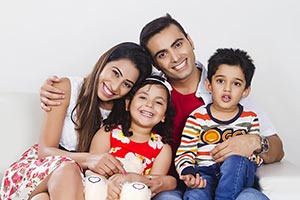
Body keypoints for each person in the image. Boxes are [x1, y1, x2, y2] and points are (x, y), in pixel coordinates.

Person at [39, 14, 284, 199]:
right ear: (154, 63)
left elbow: (277, 149)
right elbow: (112, 83)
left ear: (190, 40)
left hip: (232, 178)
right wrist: (63, 87)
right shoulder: (151, 89)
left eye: (178, 45)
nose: (175, 58)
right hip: (172, 186)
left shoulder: (226, 85)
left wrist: (255, 142)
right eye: (162, 54)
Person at [0, 42, 153, 200]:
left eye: (126, 84)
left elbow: (158, 94)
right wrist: (89, 159)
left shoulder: (124, 114)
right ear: (104, 62)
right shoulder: (67, 88)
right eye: (115, 73)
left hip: (77, 182)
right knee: (69, 170)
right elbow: (45, 150)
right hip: (39, 170)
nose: (115, 86)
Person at [175, 48, 266, 200]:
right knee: (196, 195)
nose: (227, 88)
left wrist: (249, 158)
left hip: (239, 177)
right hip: (205, 175)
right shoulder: (197, 117)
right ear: (209, 85)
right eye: (220, 81)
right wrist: (188, 172)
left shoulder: (250, 118)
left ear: (245, 91)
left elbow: (256, 155)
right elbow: (185, 152)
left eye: (236, 83)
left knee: (235, 161)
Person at [88, 74, 177, 199]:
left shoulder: (162, 149)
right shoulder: (108, 133)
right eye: (142, 97)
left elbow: (154, 185)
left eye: (158, 102)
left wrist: (133, 178)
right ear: (128, 104)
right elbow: (92, 167)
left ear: (164, 116)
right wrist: (107, 185)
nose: (149, 105)